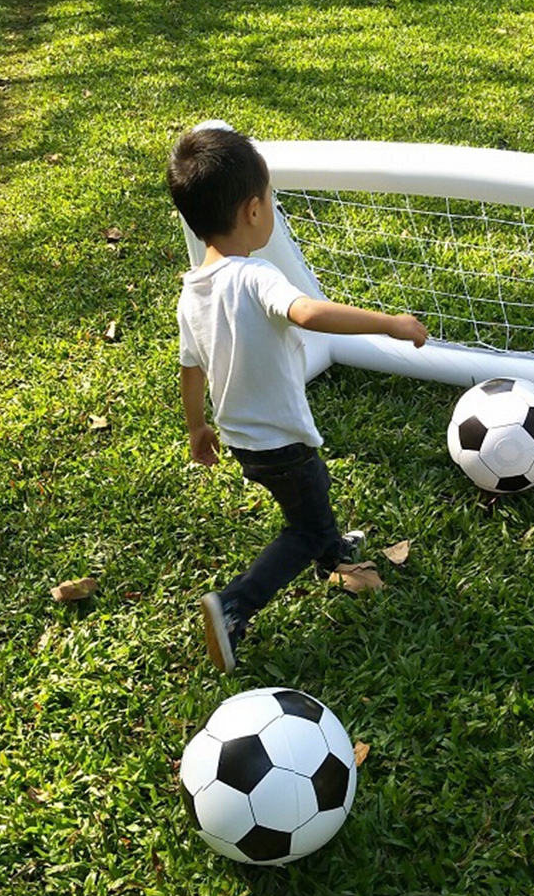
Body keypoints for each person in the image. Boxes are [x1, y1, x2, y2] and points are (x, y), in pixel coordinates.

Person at [167, 125, 428, 674]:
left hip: (242, 440)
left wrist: (196, 428)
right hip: (281, 439)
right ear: (253, 210)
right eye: (272, 200)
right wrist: (390, 323)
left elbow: (191, 369)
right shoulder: (255, 276)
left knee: (312, 497)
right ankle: (234, 605)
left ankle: (332, 551)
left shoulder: (191, 291)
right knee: (303, 523)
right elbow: (306, 312)